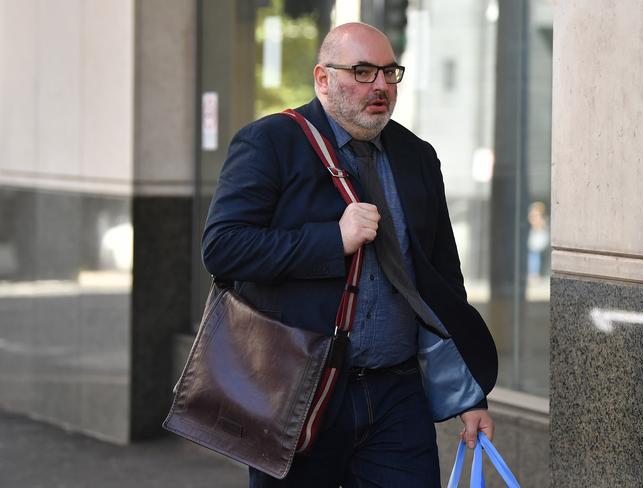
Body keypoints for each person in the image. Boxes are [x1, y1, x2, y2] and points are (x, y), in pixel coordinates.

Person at [202, 22, 498, 488]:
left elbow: (443, 279)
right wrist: (331, 241)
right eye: (362, 72)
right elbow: (223, 248)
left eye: (388, 72)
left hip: (397, 394)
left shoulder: (416, 156)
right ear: (323, 79)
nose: (380, 85)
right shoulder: (270, 143)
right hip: (298, 390)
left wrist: (469, 393)